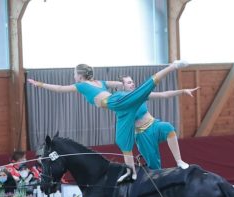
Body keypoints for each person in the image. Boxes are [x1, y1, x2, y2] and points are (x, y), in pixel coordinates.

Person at [28, 60, 189, 182]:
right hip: (120, 108)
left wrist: (39, 84)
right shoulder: (100, 82)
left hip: (116, 102)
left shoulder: (82, 85)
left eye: (75, 73)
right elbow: (119, 84)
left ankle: (173, 66)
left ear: (81, 75)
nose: (74, 76)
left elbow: (60, 89)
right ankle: (131, 172)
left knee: (145, 88)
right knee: (122, 140)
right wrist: (124, 83)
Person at [118, 75, 196, 170]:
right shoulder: (121, 103)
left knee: (168, 127)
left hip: (154, 125)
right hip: (142, 135)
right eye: (129, 82)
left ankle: (179, 161)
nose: (133, 83)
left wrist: (183, 91)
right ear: (122, 86)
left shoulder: (140, 95)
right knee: (155, 166)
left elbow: (164, 95)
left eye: (132, 81)